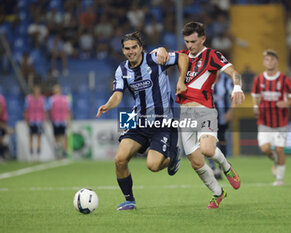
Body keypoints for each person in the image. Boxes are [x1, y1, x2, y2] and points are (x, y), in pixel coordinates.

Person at [156, 22, 244, 209]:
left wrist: (237, 87)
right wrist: (160, 48)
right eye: (187, 41)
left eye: (193, 41)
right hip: (185, 114)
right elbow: (159, 57)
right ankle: (218, 193)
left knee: (207, 150)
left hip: (205, 109)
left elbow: (234, 72)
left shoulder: (212, 55)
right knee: (196, 163)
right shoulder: (182, 56)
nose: (189, 45)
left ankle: (226, 167)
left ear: (203, 39)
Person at [96, 31, 188, 210]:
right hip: (137, 120)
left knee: (153, 166)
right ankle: (129, 200)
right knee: (120, 160)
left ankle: (172, 156)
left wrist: (181, 80)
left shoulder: (155, 58)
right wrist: (108, 105)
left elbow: (183, 57)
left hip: (163, 122)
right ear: (123, 50)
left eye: (134, 47)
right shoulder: (121, 70)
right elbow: (117, 94)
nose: (131, 51)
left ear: (141, 48)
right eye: (127, 48)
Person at [252, 49, 291, 186]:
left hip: (281, 121)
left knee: (279, 149)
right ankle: (274, 160)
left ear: (277, 62)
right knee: (265, 149)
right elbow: (255, 96)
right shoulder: (258, 79)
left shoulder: (284, 79)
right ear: (264, 62)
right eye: (267, 59)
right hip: (264, 120)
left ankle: (279, 179)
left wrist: (286, 103)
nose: (269, 62)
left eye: (272, 59)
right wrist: (256, 108)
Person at [208, 71, 235, 180]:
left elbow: (234, 96)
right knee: (209, 141)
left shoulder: (226, 80)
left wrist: (230, 112)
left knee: (221, 141)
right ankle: (213, 168)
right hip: (208, 117)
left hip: (223, 117)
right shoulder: (205, 79)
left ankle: (220, 167)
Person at [47, 84, 71, 158]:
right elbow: (49, 110)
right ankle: (58, 151)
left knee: (64, 136)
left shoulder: (65, 98)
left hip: (63, 120)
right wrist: (49, 119)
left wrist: (68, 120)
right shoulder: (51, 99)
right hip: (55, 120)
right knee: (56, 136)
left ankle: (65, 151)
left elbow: (68, 110)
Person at [24, 85, 47, 161]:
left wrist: (44, 120)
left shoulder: (42, 99)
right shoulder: (28, 98)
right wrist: (26, 120)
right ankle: (31, 154)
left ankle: (38, 154)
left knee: (39, 137)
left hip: (39, 121)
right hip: (31, 121)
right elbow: (26, 110)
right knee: (31, 137)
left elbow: (44, 111)